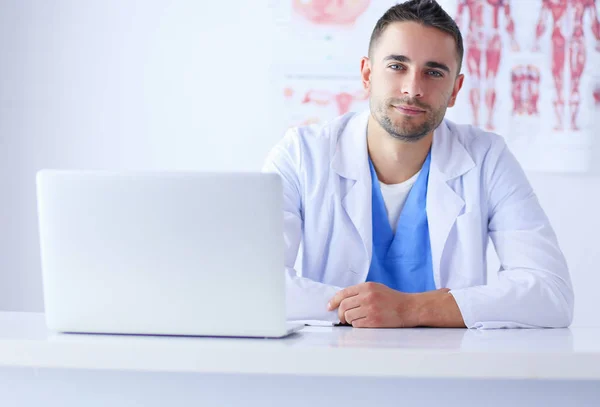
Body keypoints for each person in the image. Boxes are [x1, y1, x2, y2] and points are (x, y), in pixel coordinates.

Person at [262, 0, 574, 329]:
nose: (413, 89)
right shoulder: (302, 155)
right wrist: (365, 309)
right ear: (367, 74)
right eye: (397, 66)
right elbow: (254, 282)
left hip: (447, 367)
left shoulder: (487, 158)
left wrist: (410, 309)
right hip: (334, 364)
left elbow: (551, 294)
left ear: (455, 89)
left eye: (434, 72)